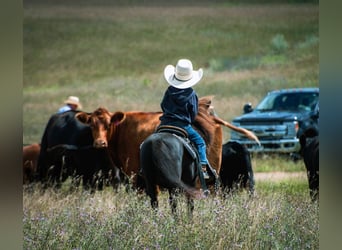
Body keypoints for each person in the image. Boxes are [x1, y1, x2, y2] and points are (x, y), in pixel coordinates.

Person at [159, 58, 210, 179]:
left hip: (165, 124)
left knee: (152, 138)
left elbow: (163, 105)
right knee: (200, 142)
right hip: (183, 126)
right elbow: (193, 113)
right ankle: (203, 168)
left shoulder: (169, 91)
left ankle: (142, 168)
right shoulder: (191, 94)